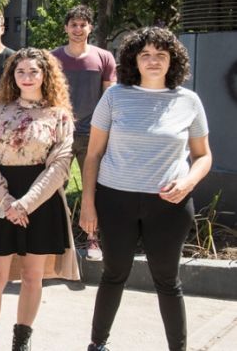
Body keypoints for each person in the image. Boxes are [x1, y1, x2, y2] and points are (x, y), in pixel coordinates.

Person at [80, 27, 212, 351]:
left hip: (169, 205)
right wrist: (88, 203)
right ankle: (98, 344)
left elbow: (203, 155)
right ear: (134, 60)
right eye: (146, 55)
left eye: (161, 55)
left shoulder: (189, 101)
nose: (153, 61)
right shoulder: (114, 97)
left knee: (168, 280)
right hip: (115, 201)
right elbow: (93, 154)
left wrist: (189, 182)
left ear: (172, 60)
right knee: (114, 273)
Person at [0, 48, 79, 351]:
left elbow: (60, 166)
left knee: (33, 277)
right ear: (12, 76)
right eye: (21, 72)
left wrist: (26, 204)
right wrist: (7, 202)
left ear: (46, 75)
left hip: (41, 203)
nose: (27, 77)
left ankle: (22, 340)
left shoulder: (59, 115)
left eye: (34, 71)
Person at [51, 5, 116, 262]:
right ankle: (58, 239)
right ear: (66, 28)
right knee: (55, 189)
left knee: (94, 189)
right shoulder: (53, 58)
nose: (78, 29)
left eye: (83, 24)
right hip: (61, 134)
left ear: (90, 28)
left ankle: (93, 239)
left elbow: (110, 97)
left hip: (94, 136)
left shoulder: (104, 58)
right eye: (73, 24)